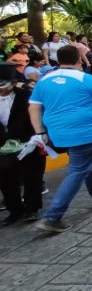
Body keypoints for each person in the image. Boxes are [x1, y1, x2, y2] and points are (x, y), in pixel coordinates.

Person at [30, 45, 92, 232]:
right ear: (79, 58)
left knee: (89, 162)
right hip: (84, 132)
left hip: (57, 132)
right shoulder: (86, 78)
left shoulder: (44, 80)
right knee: (78, 170)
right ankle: (53, 216)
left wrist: (40, 131)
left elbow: (34, 107)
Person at [0, 62, 45, 225]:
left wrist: (38, 136)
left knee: (31, 176)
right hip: (4, 145)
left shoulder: (27, 96)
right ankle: (14, 210)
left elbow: (39, 115)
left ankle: (32, 208)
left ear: (13, 82)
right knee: (6, 178)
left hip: (29, 141)